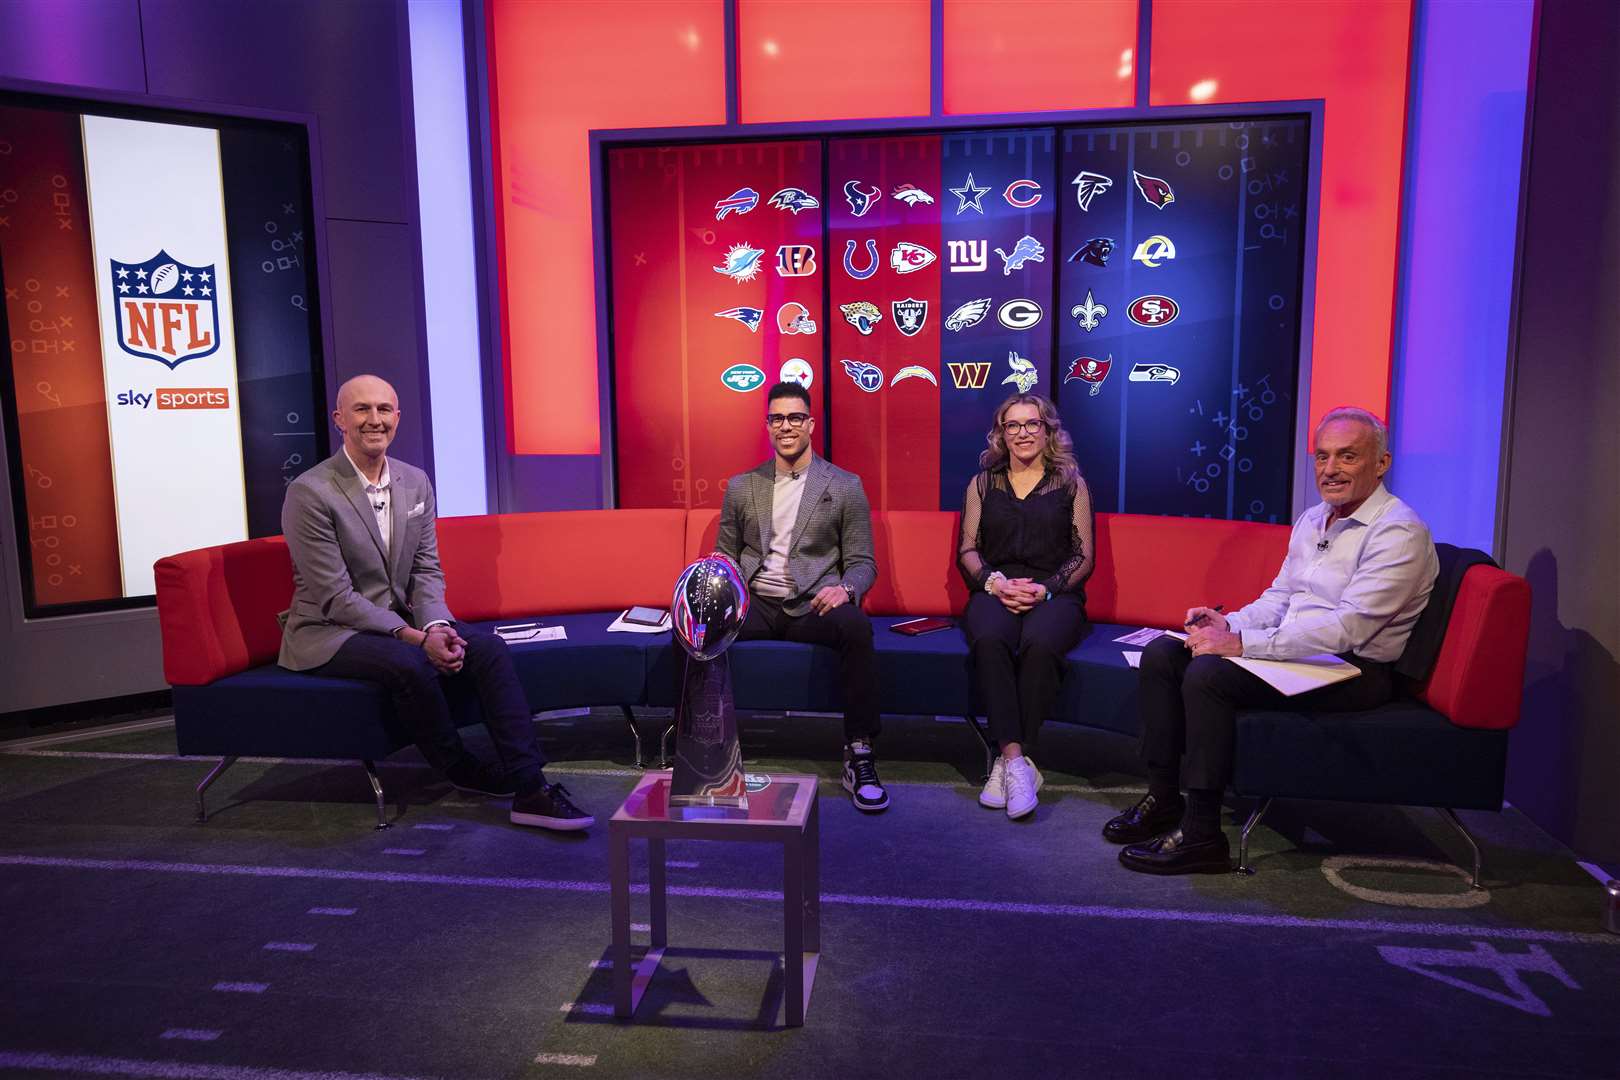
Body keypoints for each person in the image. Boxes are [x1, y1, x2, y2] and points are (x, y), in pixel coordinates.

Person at [1105, 406, 1437, 873]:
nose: (1330, 469)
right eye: (1322, 457)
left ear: (1380, 463)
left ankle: (1203, 834)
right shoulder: (1313, 519)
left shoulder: (1398, 532)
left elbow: (1349, 628)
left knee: (1208, 676)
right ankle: (1163, 799)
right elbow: (1280, 597)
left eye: (1347, 457)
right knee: (1166, 653)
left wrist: (1242, 644)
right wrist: (1226, 627)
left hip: (1355, 670)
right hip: (1299, 656)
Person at [278, 374, 592, 831]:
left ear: (398, 418)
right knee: (410, 663)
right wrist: (414, 637)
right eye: (362, 409)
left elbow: (425, 571)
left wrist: (439, 626)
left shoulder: (415, 482)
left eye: (384, 409)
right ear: (339, 419)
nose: (374, 420)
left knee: (487, 649)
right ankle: (461, 769)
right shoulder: (311, 491)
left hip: (404, 623)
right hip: (331, 630)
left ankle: (531, 786)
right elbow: (335, 596)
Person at [716, 381, 885, 811]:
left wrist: (845, 588)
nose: (785, 426)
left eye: (794, 418)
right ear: (767, 425)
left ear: (810, 424)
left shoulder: (845, 485)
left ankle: (859, 751)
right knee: (692, 632)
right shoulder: (741, 485)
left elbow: (864, 562)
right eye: (777, 418)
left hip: (813, 603)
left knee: (857, 629)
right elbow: (725, 554)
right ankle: (702, 748)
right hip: (756, 602)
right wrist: (716, 591)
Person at [959, 394, 1095, 819]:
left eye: (1031, 424)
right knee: (989, 640)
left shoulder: (1070, 481)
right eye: (1012, 425)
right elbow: (968, 549)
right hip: (996, 588)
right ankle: (1015, 760)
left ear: (1048, 430)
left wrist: (1047, 589)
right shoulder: (982, 483)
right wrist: (995, 583)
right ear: (1000, 433)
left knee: (1039, 645)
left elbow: (1084, 555)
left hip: (1055, 591)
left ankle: (1009, 763)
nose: (1022, 433)